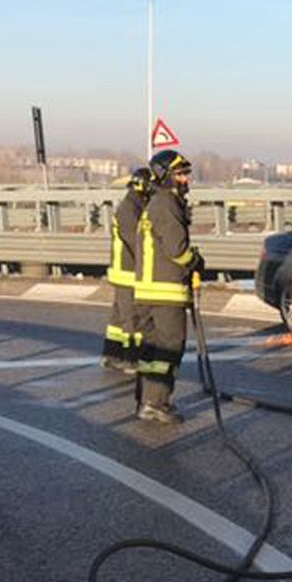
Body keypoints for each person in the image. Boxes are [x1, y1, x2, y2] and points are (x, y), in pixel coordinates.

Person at [132, 149, 204, 423]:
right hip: (165, 292)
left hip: (148, 292)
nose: (186, 179)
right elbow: (177, 249)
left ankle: (146, 401)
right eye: (181, 174)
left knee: (151, 351)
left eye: (187, 173)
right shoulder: (166, 203)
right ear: (166, 176)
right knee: (169, 349)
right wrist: (195, 261)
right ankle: (156, 403)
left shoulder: (155, 203)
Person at [102, 167, 153, 373]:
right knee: (131, 316)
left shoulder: (135, 204)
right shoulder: (129, 208)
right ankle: (131, 358)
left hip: (124, 269)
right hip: (127, 271)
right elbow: (137, 241)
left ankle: (112, 355)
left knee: (118, 317)